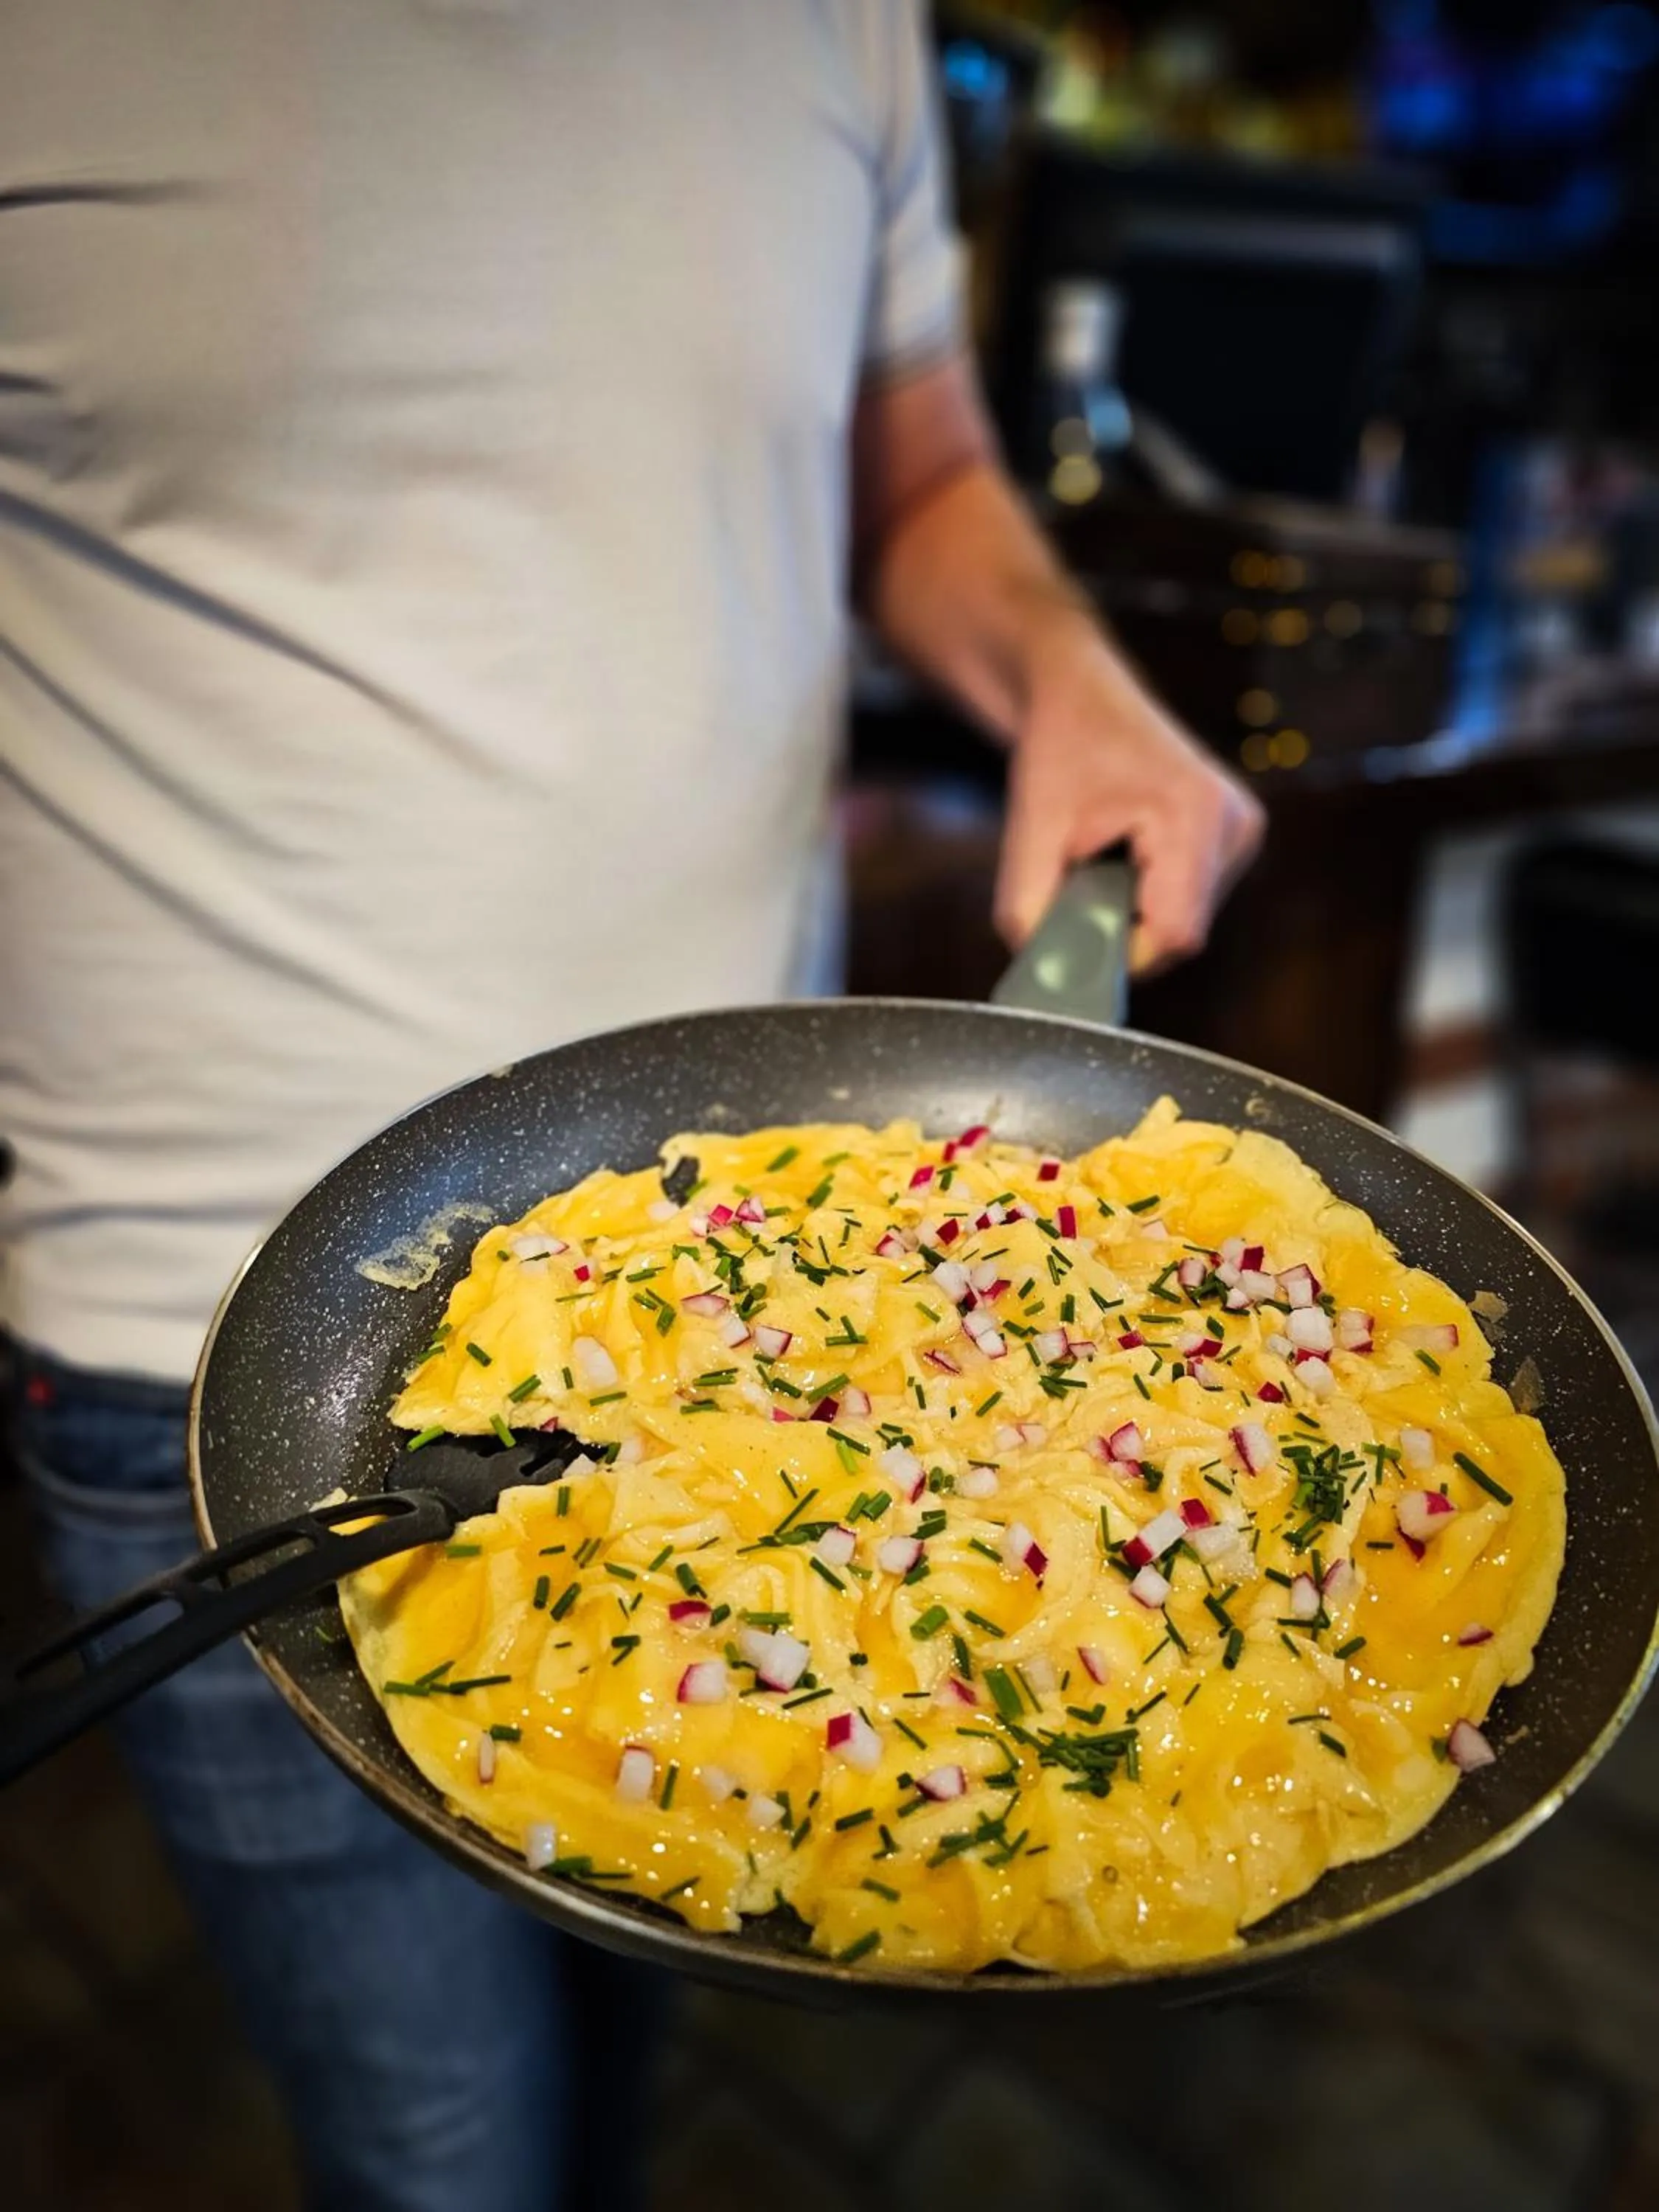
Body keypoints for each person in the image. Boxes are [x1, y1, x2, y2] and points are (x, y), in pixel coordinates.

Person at [0, 5, 1262, 2207]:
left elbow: (926, 476)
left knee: (616, 2070)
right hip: (220, 1355)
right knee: (442, 2163)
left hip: (774, 1315)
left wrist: (1068, 667)